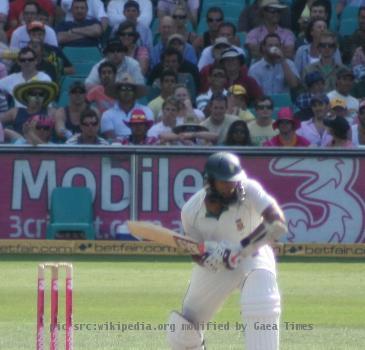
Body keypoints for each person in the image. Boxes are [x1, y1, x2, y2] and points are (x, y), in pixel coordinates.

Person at [166, 151, 287, 350]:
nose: (232, 187)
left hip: (253, 254)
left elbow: (277, 223)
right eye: (225, 183)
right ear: (210, 182)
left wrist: (241, 248)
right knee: (183, 330)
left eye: (234, 181)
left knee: (261, 296)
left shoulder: (249, 189)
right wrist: (207, 257)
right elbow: (195, 250)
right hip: (218, 264)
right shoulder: (190, 211)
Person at [101, 73, 153, 141]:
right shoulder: (107, 115)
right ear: (117, 92)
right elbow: (111, 139)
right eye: (123, 89)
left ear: (135, 92)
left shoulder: (146, 111)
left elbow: (148, 134)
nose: (127, 91)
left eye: (130, 89)